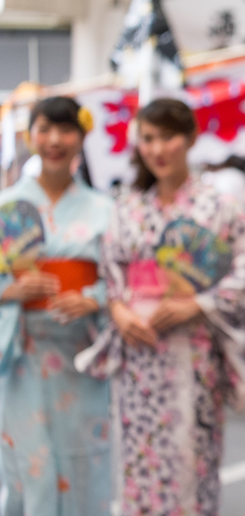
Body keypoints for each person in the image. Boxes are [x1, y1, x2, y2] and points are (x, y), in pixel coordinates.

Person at [77, 98, 245, 516]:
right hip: (139, 355)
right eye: (149, 139)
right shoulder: (128, 208)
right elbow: (111, 275)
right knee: (139, 462)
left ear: (191, 139)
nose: (158, 149)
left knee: (192, 462)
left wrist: (199, 302)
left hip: (193, 352)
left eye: (168, 137)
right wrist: (119, 310)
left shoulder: (220, 207)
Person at [0, 97, 113, 516]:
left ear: (81, 138)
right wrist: (8, 293)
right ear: (30, 136)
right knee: (32, 466)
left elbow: (122, 283)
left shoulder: (105, 209)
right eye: (44, 128)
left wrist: (93, 298)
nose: (54, 140)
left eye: (66, 130)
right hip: (22, 356)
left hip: (81, 356)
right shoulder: (6, 206)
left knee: (85, 462)